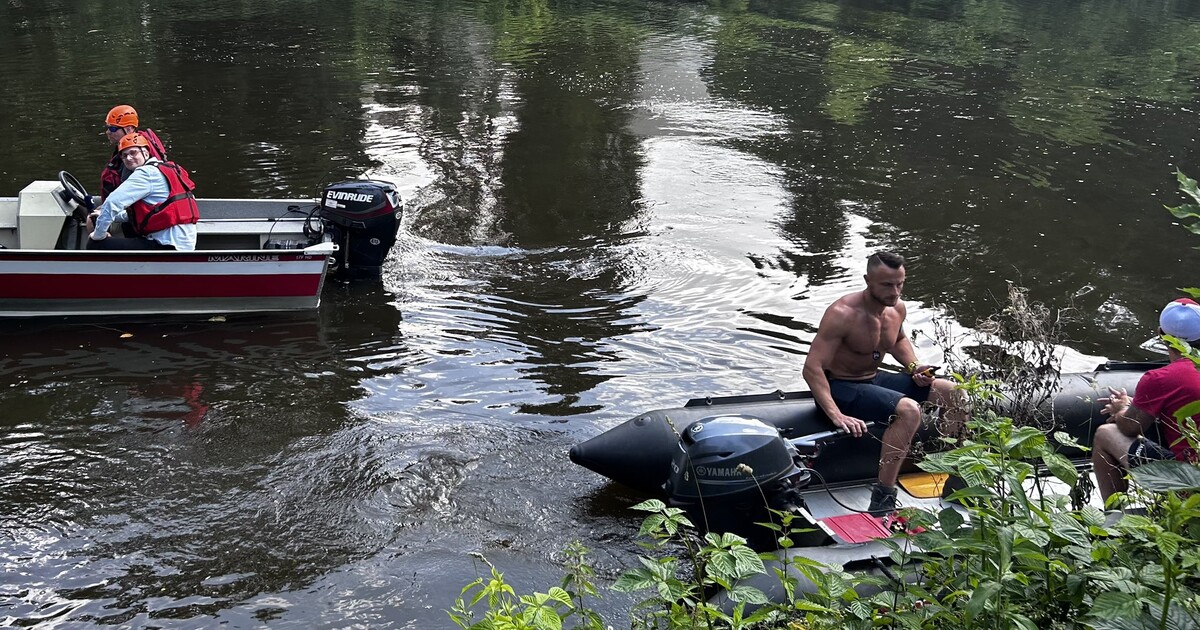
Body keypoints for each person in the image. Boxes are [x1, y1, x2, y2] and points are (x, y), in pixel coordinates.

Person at [803, 251, 964, 516]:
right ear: (868, 280)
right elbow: (812, 368)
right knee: (909, 410)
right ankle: (883, 498)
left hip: (873, 378)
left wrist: (914, 367)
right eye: (887, 285)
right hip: (841, 386)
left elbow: (898, 340)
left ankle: (956, 477)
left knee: (953, 392)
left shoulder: (896, 308)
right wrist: (836, 414)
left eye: (900, 284)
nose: (895, 291)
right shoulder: (842, 313)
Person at [1092, 298, 1200, 504]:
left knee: (1105, 434)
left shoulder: (1161, 379)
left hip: (1190, 481)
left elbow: (1130, 427)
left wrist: (1123, 408)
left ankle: (1115, 518)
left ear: (1161, 335)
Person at [87, 132, 199, 251]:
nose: (129, 158)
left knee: (95, 244)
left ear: (145, 152)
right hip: (182, 243)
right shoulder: (164, 168)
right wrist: (112, 217)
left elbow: (112, 203)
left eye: (133, 152)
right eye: (124, 156)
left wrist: (98, 235)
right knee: (127, 226)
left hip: (167, 245)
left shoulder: (146, 174)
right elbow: (141, 213)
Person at [100, 104, 169, 202]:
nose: (108, 132)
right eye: (108, 128)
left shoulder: (134, 158)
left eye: (113, 129)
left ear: (128, 129)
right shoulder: (132, 148)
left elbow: (126, 197)